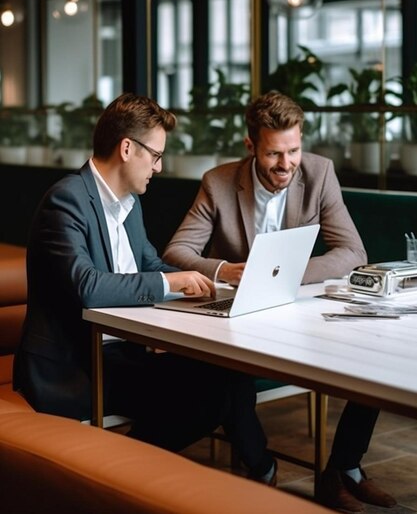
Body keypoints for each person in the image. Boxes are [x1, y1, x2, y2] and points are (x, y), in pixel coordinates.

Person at [13, 92, 278, 487]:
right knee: (208, 399)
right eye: (155, 155)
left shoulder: (129, 203)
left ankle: (261, 470)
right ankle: (113, 476)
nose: (159, 166)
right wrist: (169, 282)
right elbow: (88, 286)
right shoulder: (66, 200)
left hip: (121, 354)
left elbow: (150, 264)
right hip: (76, 366)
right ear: (126, 148)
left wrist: (207, 286)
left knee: (228, 375)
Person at [163, 91, 396, 512]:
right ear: (251, 146)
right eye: (274, 154)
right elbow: (177, 251)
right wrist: (226, 270)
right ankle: (261, 466)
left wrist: (287, 272)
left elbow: (352, 253)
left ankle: (344, 468)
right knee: (229, 369)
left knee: (374, 356)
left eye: (294, 150)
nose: (286, 164)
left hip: (299, 311)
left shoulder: (319, 173)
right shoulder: (218, 182)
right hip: (240, 317)